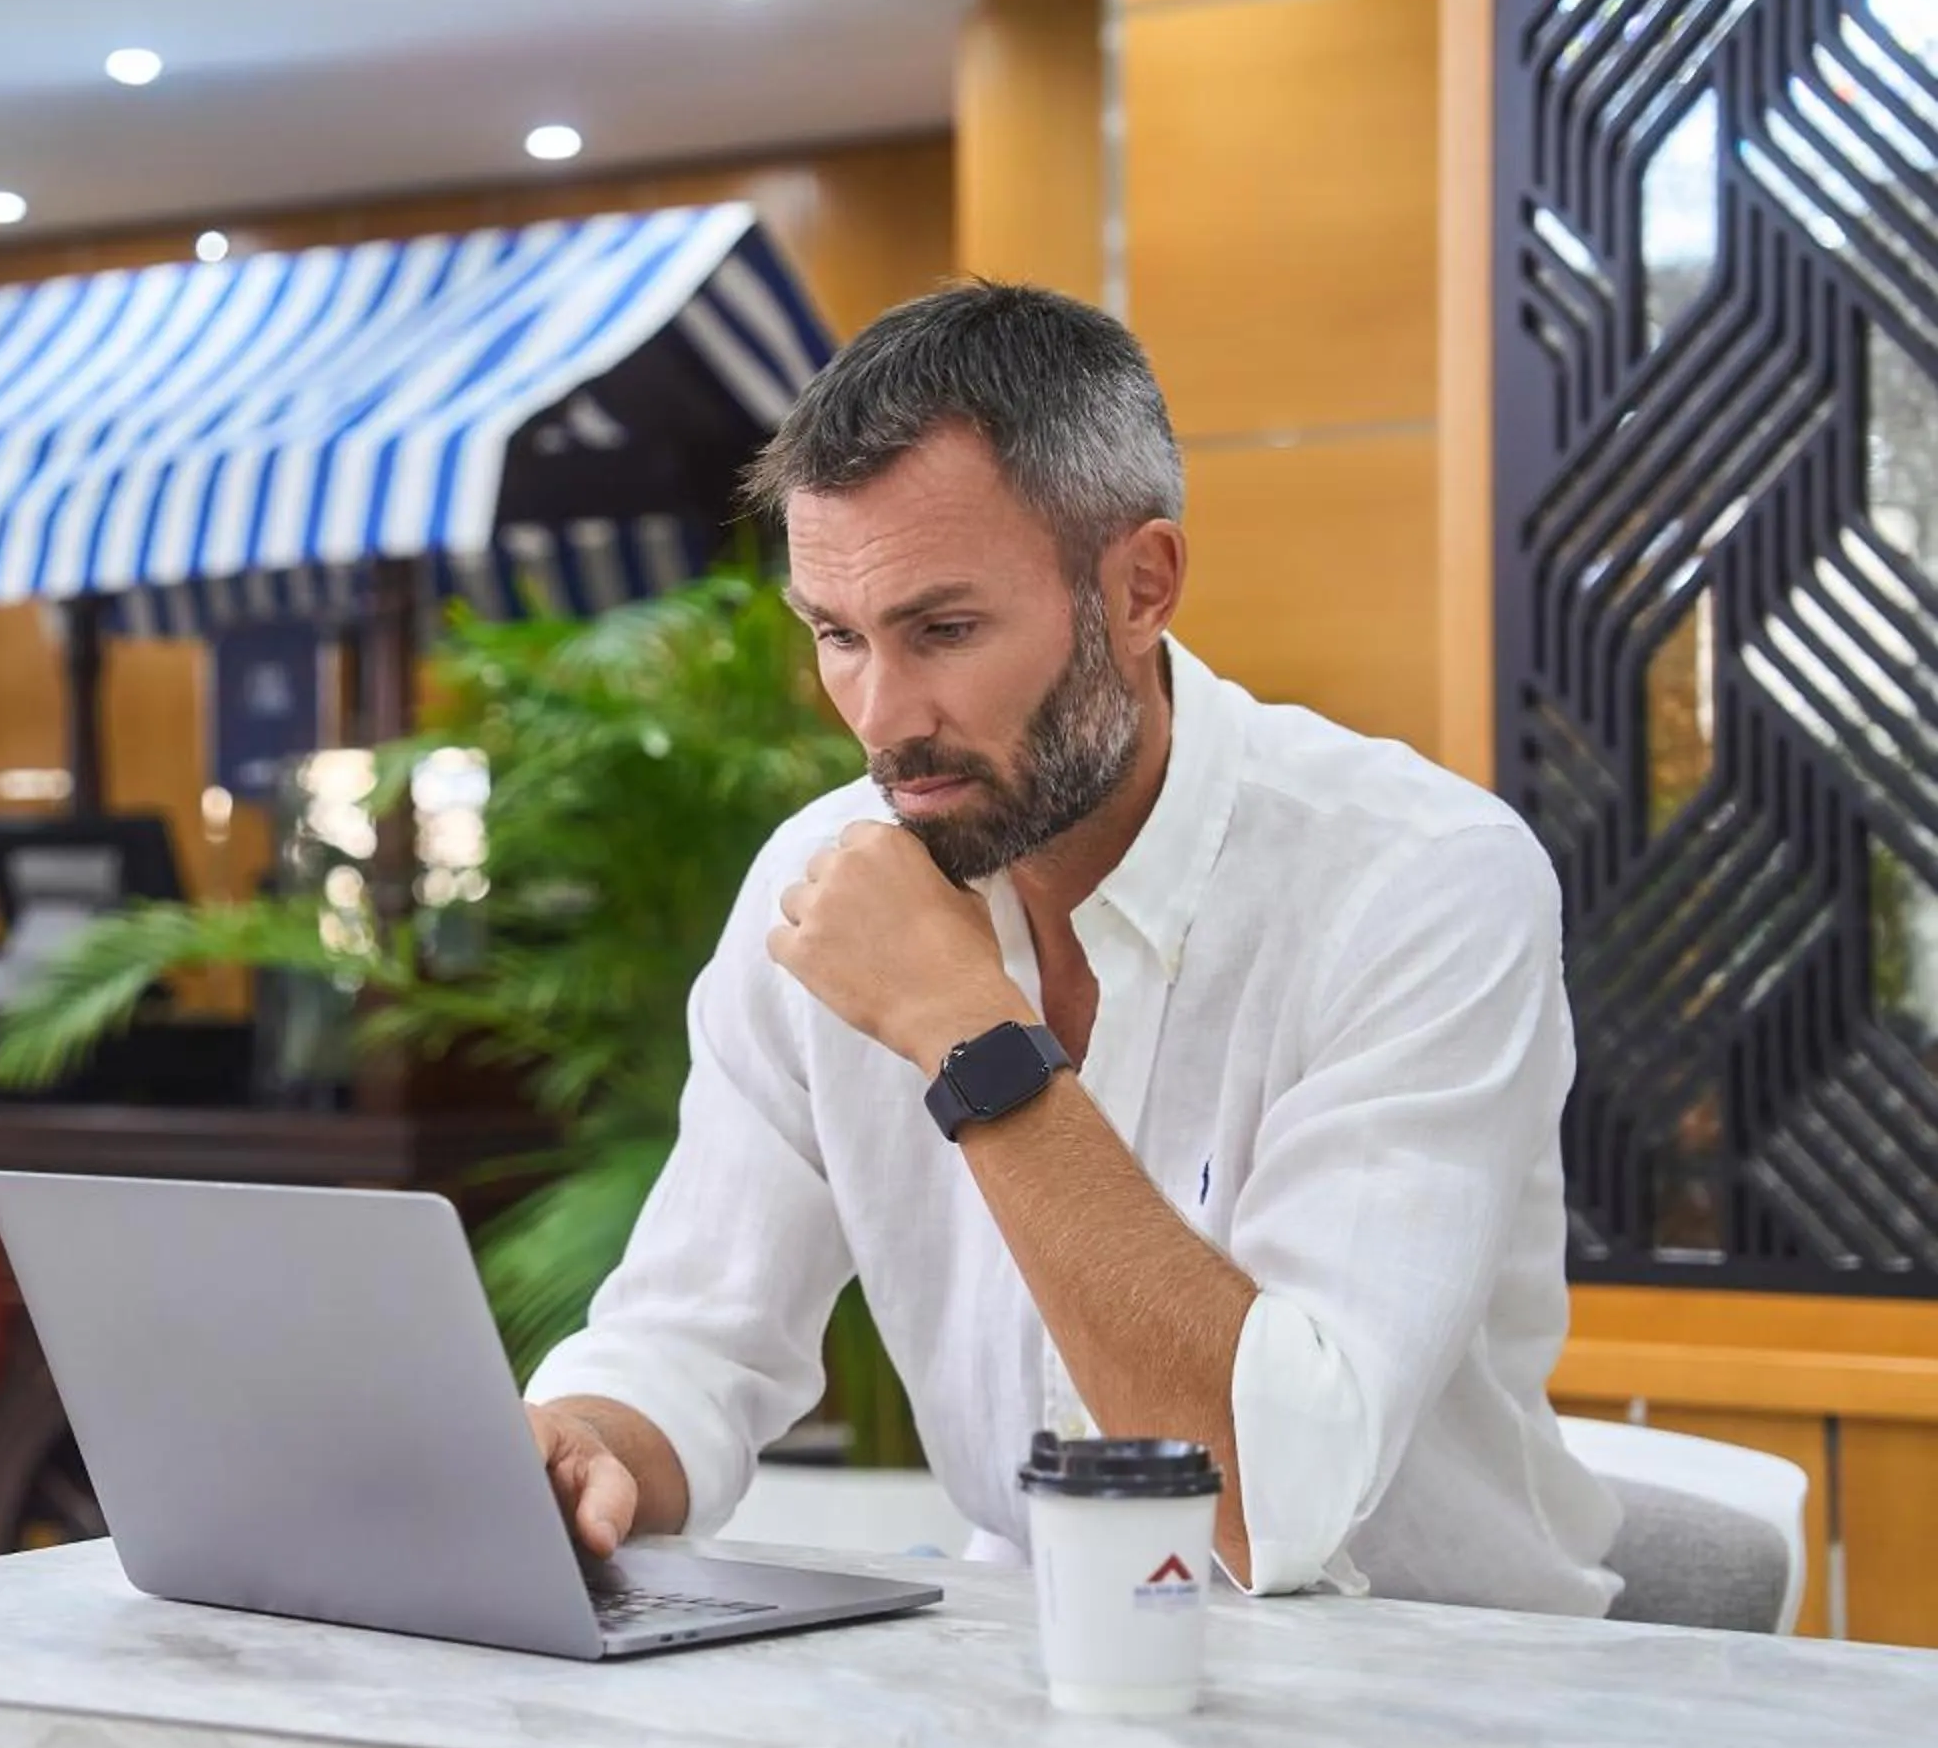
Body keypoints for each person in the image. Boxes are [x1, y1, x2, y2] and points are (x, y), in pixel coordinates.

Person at [521, 282, 1621, 1612]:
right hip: (1041, 1671)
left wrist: (973, 1038)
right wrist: (590, 1442)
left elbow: (1272, 1501)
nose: (885, 718)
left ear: (1141, 586)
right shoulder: (818, 884)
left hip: (1445, 1704)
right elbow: (694, 1340)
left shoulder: (1421, 884)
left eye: (944, 630)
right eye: (837, 636)